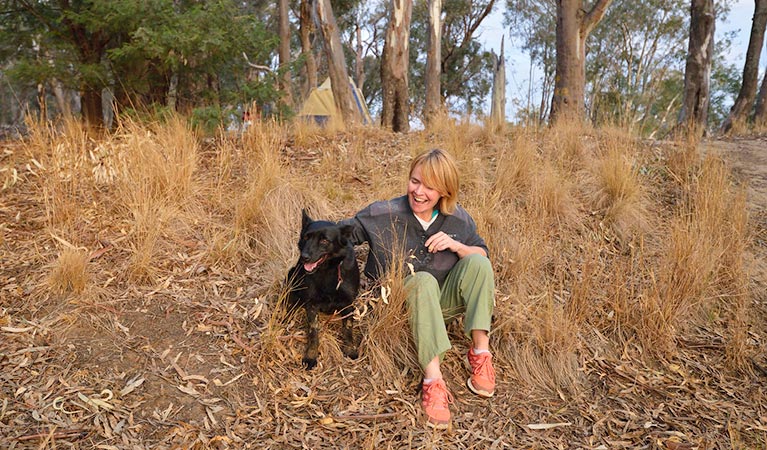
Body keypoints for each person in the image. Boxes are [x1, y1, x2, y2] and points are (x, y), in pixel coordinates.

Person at [341, 148, 496, 429]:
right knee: (423, 280)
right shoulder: (383, 213)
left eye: (429, 186)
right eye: (415, 181)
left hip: (438, 308)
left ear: (445, 192)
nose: (419, 191)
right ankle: (433, 381)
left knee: (478, 263)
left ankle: (480, 353)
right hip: (396, 309)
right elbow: (341, 236)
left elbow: (481, 254)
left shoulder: (458, 219)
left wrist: (456, 245)